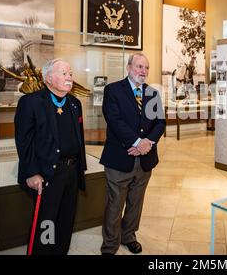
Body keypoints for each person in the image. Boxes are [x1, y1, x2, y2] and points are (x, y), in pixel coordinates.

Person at [15, 58, 87, 255]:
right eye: (63, 73)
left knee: (65, 221)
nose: (69, 77)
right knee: (46, 223)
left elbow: (78, 138)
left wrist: (81, 170)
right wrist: (32, 173)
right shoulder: (30, 103)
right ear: (48, 78)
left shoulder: (74, 103)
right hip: (46, 174)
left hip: (72, 172)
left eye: (70, 73)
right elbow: (23, 142)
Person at [100, 53, 166, 255]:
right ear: (128, 68)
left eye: (146, 68)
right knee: (115, 203)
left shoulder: (153, 93)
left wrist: (147, 144)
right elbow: (114, 120)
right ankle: (110, 245)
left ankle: (128, 236)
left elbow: (160, 122)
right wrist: (137, 142)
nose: (143, 71)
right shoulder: (113, 90)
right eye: (139, 67)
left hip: (145, 159)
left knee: (136, 201)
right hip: (120, 158)